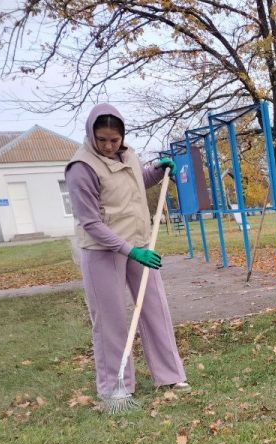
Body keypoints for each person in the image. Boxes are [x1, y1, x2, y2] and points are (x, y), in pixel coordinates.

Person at [65, 103, 189, 402]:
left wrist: (157, 171)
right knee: (111, 320)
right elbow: (91, 222)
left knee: (156, 309)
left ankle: (170, 376)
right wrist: (129, 251)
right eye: (102, 140)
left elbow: (135, 183)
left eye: (114, 140)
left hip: (139, 244)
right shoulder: (81, 168)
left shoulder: (129, 155)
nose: (108, 146)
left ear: (122, 136)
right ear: (91, 134)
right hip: (102, 251)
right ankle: (116, 386)